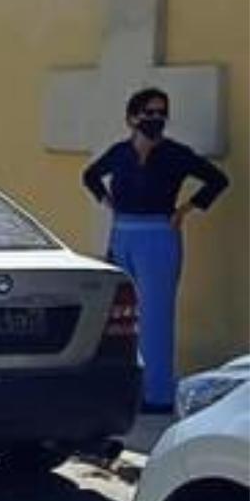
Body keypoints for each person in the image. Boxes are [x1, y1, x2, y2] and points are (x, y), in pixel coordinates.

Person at [82, 87, 230, 413]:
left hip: (158, 233)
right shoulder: (120, 153)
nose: (155, 119)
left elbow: (217, 180)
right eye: (148, 113)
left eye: (161, 112)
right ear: (132, 118)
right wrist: (107, 202)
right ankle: (127, 387)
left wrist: (186, 209)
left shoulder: (176, 154)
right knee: (123, 314)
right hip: (123, 232)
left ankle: (158, 394)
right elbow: (91, 176)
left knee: (156, 316)